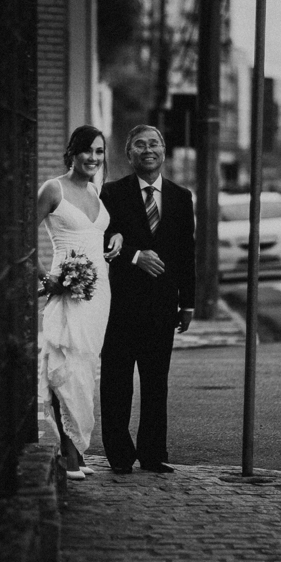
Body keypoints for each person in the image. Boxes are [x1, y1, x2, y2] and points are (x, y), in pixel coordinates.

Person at [99, 124, 196, 474]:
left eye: (154, 143)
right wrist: (135, 256)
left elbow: (187, 253)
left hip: (162, 306)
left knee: (156, 383)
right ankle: (120, 455)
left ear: (164, 150)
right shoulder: (110, 194)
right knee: (116, 381)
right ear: (129, 154)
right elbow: (102, 239)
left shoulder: (181, 197)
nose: (147, 149)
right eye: (139, 145)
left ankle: (154, 453)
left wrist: (188, 303)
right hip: (120, 305)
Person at [37, 126, 123, 480]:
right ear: (72, 152)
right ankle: (68, 456)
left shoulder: (94, 190)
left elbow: (98, 231)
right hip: (68, 288)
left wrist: (115, 235)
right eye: (87, 150)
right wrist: (45, 277)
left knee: (86, 368)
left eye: (100, 152)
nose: (94, 158)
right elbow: (22, 229)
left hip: (98, 292)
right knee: (65, 366)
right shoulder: (53, 188)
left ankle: (76, 448)